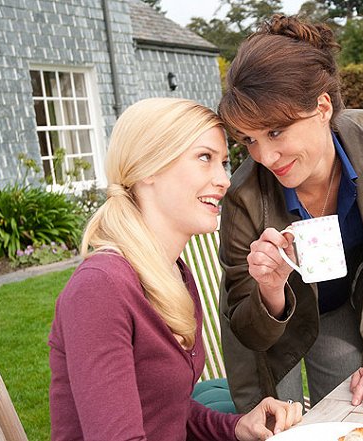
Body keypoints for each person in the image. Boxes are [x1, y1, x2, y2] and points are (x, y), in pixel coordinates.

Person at [48, 98, 302, 441]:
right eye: (204, 158)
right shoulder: (100, 289)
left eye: (223, 162)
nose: (223, 181)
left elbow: (167, 409)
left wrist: (237, 425)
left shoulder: (173, 274)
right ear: (148, 168)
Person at [217, 15, 363, 413]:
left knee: (358, 410)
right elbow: (245, 325)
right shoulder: (243, 196)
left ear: (322, 107)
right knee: (284, 425)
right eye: (249, 140)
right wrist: (270, 290)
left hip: (339, 306)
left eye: (275, 132)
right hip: (268, 331)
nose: (264, 156)